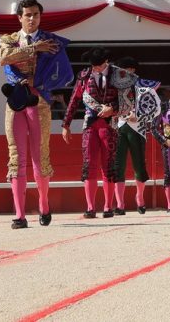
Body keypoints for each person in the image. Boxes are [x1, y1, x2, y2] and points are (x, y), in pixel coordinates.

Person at [0, 0, 73, 229]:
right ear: (19, 17)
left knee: (40, 156)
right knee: (16, 157)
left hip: (39, 102)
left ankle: (44, 204)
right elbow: (3, 58)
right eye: (28, 15)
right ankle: (20, 215)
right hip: (16, 102)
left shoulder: (51, 41)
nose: (32, 19)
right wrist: (34, 49)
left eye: (36, 14)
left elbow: (64, 73)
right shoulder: (9, 39)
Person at [62, 48, 121, 219]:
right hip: (90, 124)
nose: (96, 68)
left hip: (109, 125)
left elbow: (129, 99)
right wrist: (66, 124)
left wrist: (113, 108)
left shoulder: (119, 75)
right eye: (94, 66)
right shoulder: (84, 75)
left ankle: (108, 207)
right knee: (89, 165)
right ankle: (90, 207)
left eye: (99, 65)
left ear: (106, 61)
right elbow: (74, 99)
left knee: (108, 165)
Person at [111, 57, 160, 215]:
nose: (127, 71)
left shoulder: (143, 86)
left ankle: (140, 198)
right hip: (118, 127)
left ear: (133, 70)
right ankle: (120, 204)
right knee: (118, 165)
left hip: (137, 128)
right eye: (124, 69)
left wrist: (139, 116)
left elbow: (155, 108)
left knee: (139, 165)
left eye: (130, 69)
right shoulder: (114, 85)